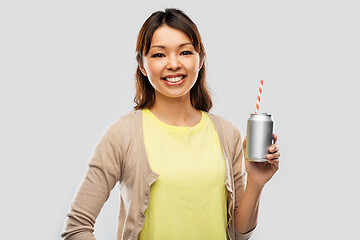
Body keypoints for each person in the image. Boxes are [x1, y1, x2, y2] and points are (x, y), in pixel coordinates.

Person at [61, 8, 280, 240]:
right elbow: (77, 226)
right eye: (159, 55)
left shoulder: (227, 134)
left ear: (200, 59)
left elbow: (238, 233)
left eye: (185, 52)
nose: (173, 64)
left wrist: (256, 182)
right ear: (142, 65)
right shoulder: (123, 134)